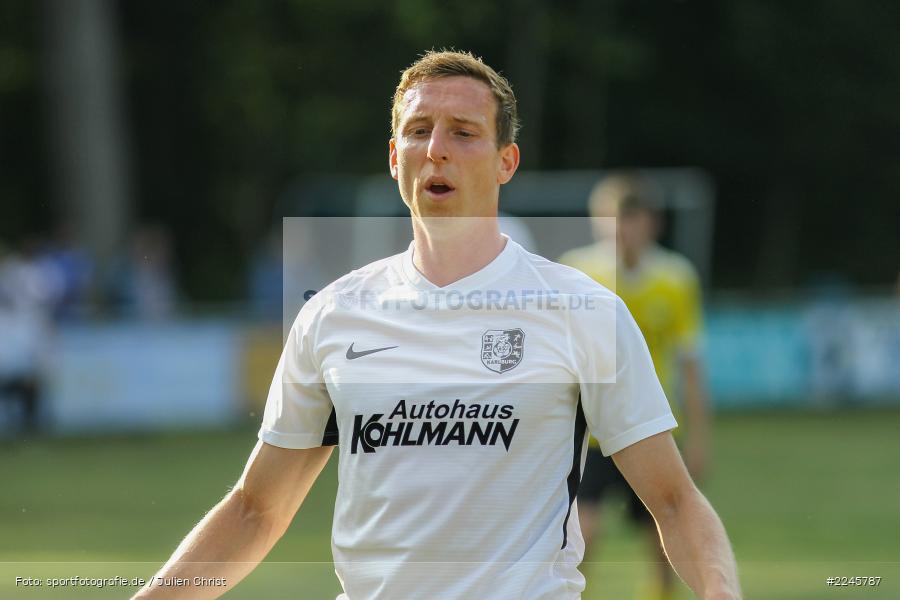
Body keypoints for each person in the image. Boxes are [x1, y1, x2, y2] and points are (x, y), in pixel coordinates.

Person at [134, 50, 739, 600]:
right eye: (418, 130)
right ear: (394, 157)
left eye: (463, 132)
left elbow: (674, 502)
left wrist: (720, 590)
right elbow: (255, 512)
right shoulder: (332, 315)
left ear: (506, 162)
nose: (436, 149)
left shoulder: (583, 311)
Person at [559, 174, 712, 599]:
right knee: (582, 534)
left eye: (629, 219)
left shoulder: (675, 278)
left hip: (651, 427)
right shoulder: (576, 273)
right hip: (591, 432)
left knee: (664, 542)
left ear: (651, 223)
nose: (619, 230)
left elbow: (691, 365)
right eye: (609, 219)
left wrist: (699, 439)